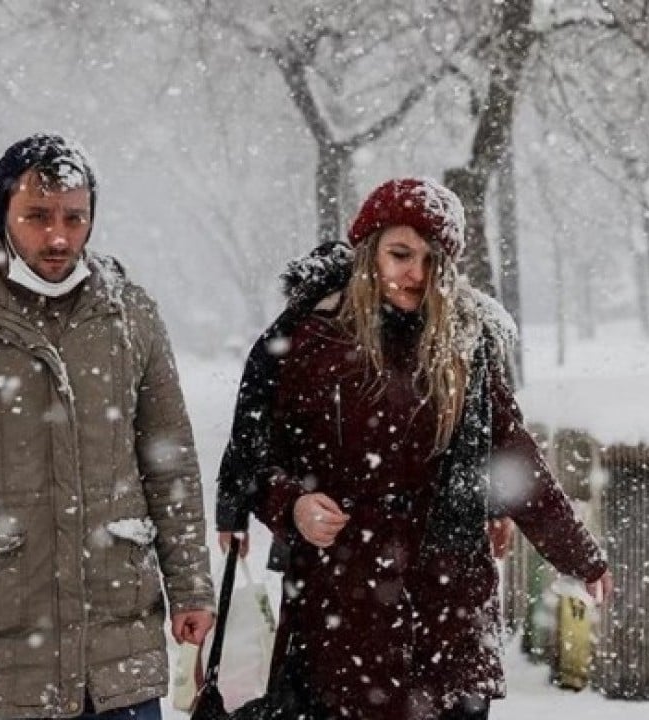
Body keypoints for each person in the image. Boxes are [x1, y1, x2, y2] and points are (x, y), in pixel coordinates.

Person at [219, 178, 612, 720]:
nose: (417, 275)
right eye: (400, 254)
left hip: (449, 609)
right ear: (368, 252)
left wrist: (579, 555)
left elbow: (515, 458)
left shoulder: (467, 344)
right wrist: (293, 506)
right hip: (344, 608)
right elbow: (256, 460)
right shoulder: (313, 343)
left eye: (432, 261)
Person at [0, 133, 215, 720]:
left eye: (74, 218)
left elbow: (169, 461)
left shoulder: (130, 315)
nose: (58, 237)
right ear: (3, 215)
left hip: (117, 646)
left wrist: (191, 586)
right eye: (38, 216)